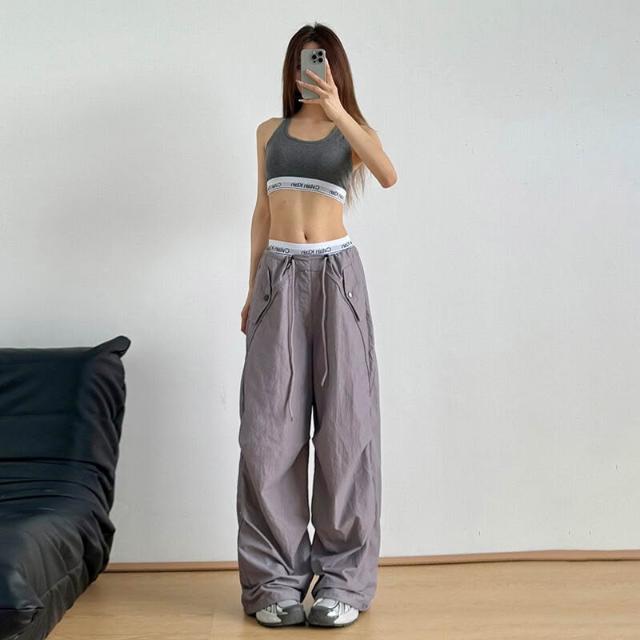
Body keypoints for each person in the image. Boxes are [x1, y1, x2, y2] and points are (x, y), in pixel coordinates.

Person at [236, 23, 397, 628]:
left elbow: (387, 173)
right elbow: (261, 212)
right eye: (305, 61)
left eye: (322, 61)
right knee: (268, 434)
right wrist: (252, 289)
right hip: (278, 278)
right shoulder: (268, 132)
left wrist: (338, 110)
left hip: (336, 279)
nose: (311, 70)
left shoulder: (351, 132)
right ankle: (273, 584)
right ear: (292, 68)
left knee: (346, 431)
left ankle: (343, 583)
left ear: (335, 68)